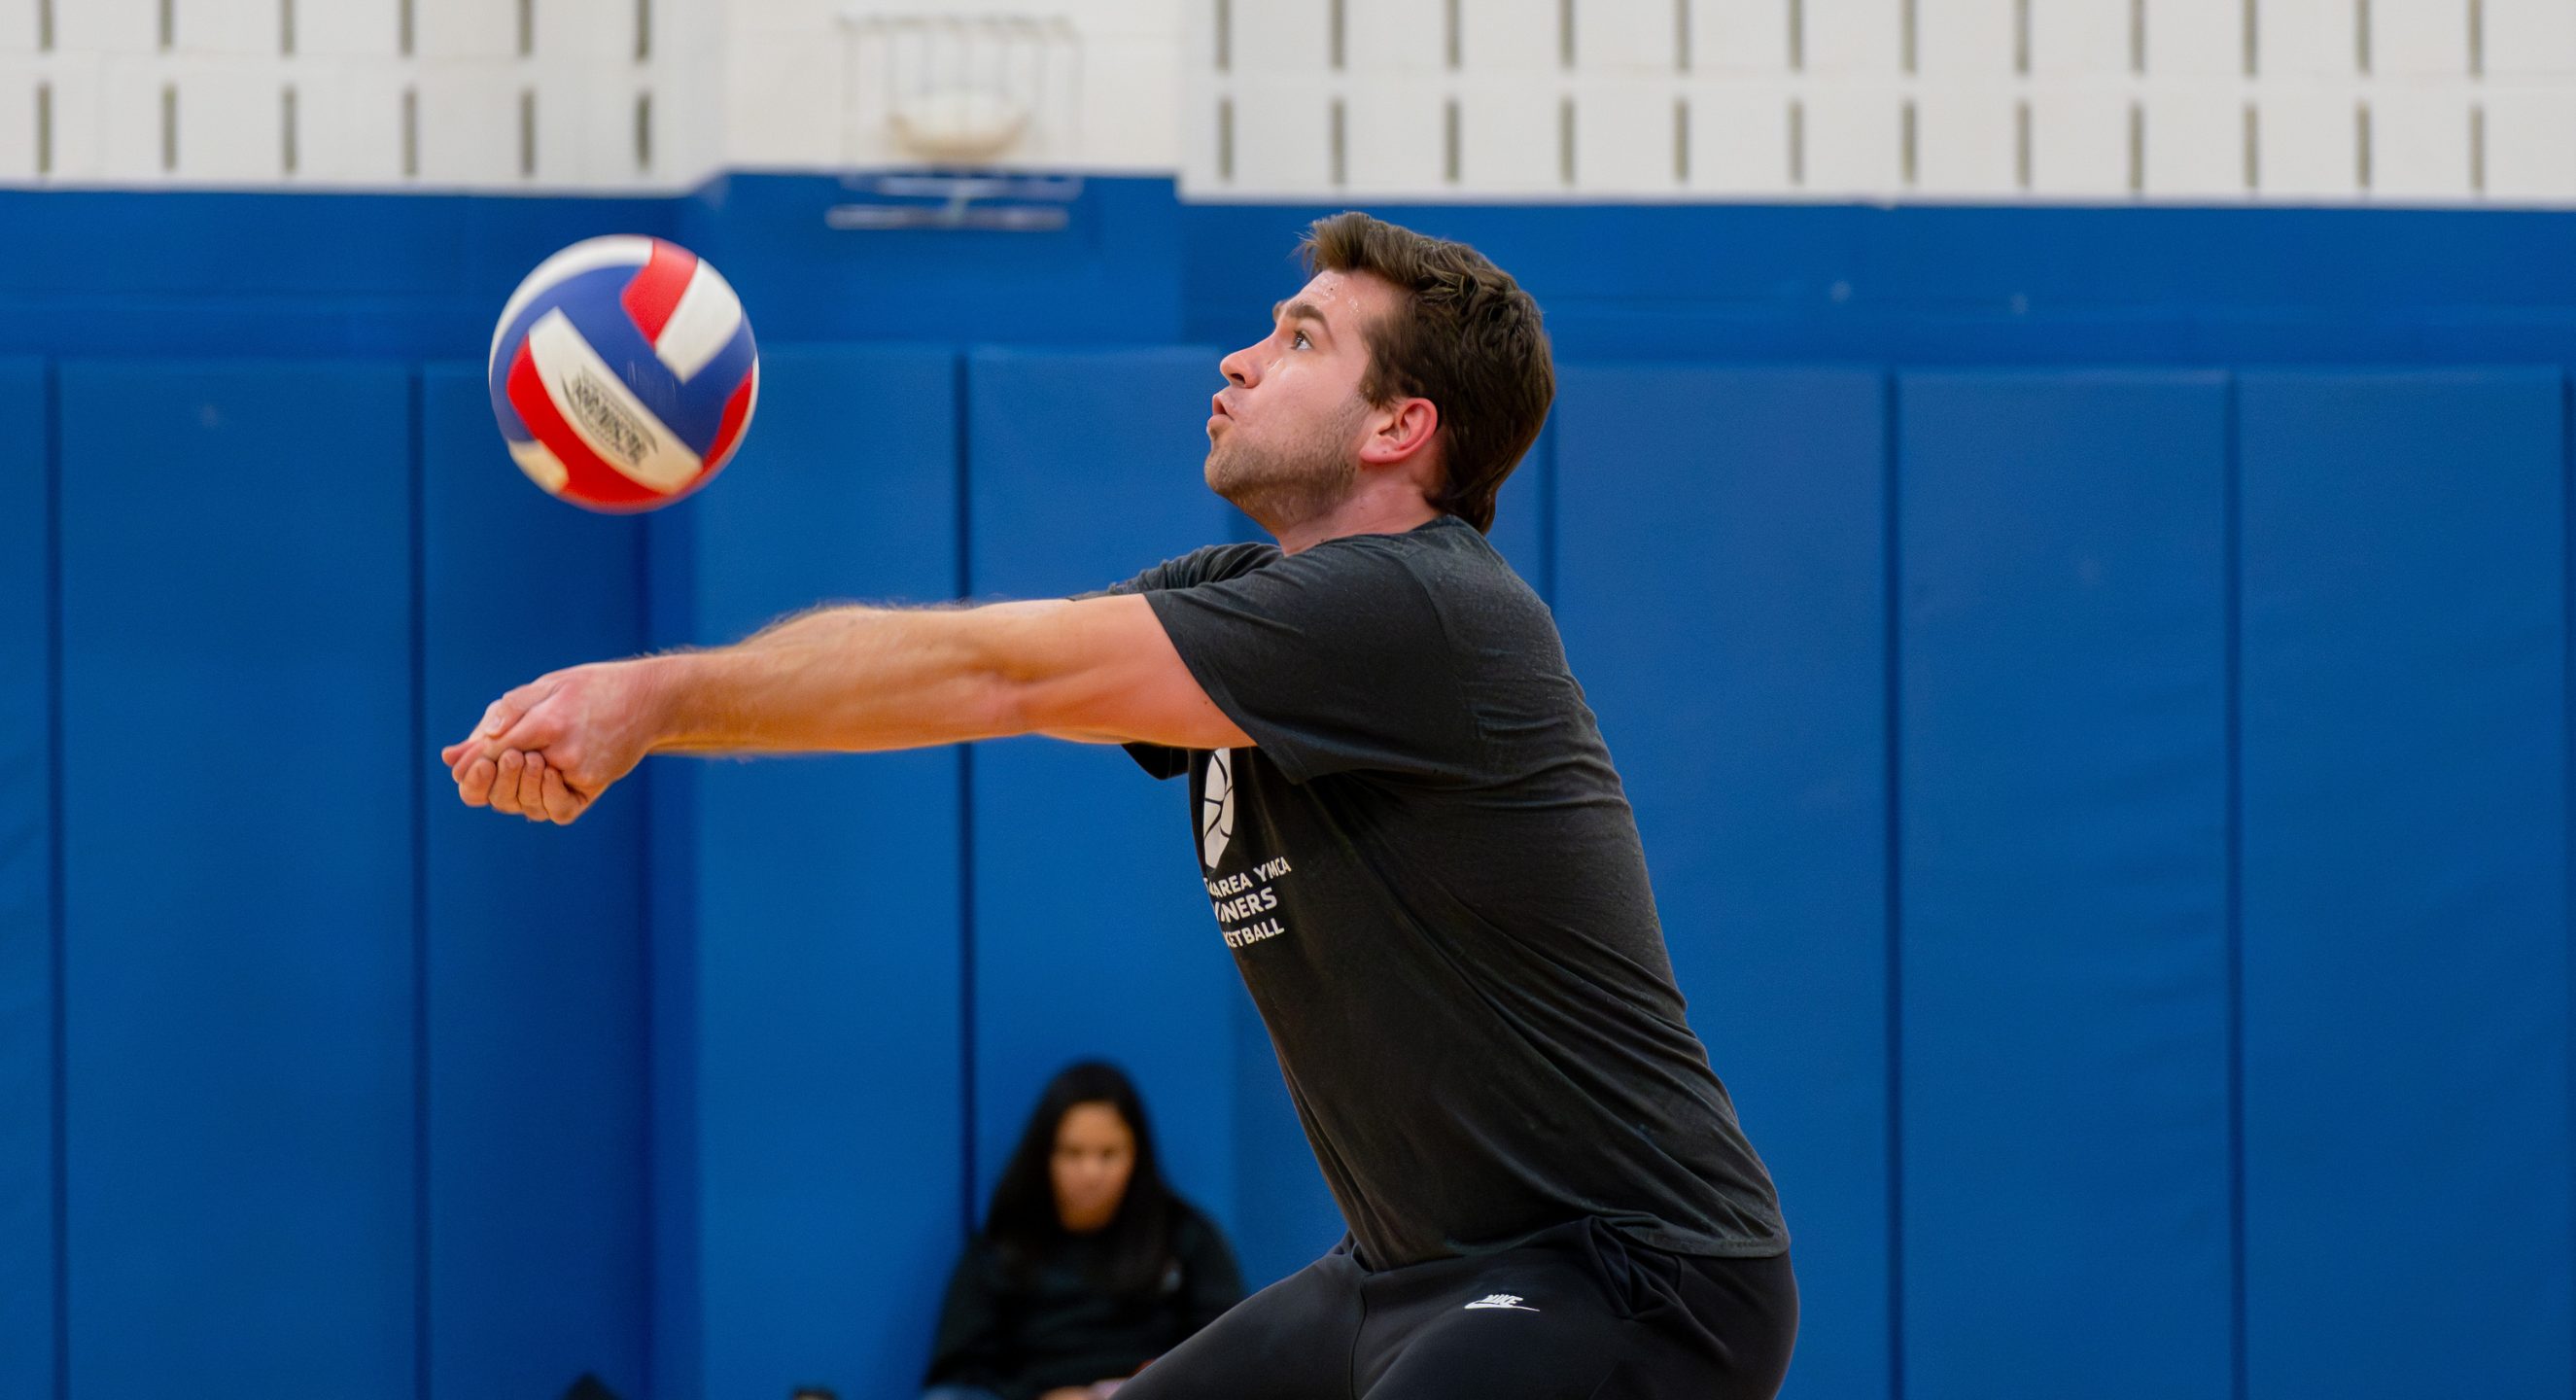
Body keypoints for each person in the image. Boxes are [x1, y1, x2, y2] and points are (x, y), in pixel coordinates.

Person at [440, 211, 1796, 1398]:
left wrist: (653, 699)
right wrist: (647, 717)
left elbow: (998, 674)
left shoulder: (1414, 609)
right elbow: (949, 675)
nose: (1240, 359)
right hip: (1401, 1274)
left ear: (1401, 427)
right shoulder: (1245, 600)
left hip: (1630, 1275)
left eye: (1301, 339)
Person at [922, 1062, 1244, 1400]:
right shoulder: (1002, 1247)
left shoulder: (1186, 1237)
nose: (1091, 1173)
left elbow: (1229, 1350)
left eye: (1109, 1154)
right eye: (1072, 1153)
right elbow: (958, 1375)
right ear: (1044, 1155)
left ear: (1136, 1155)